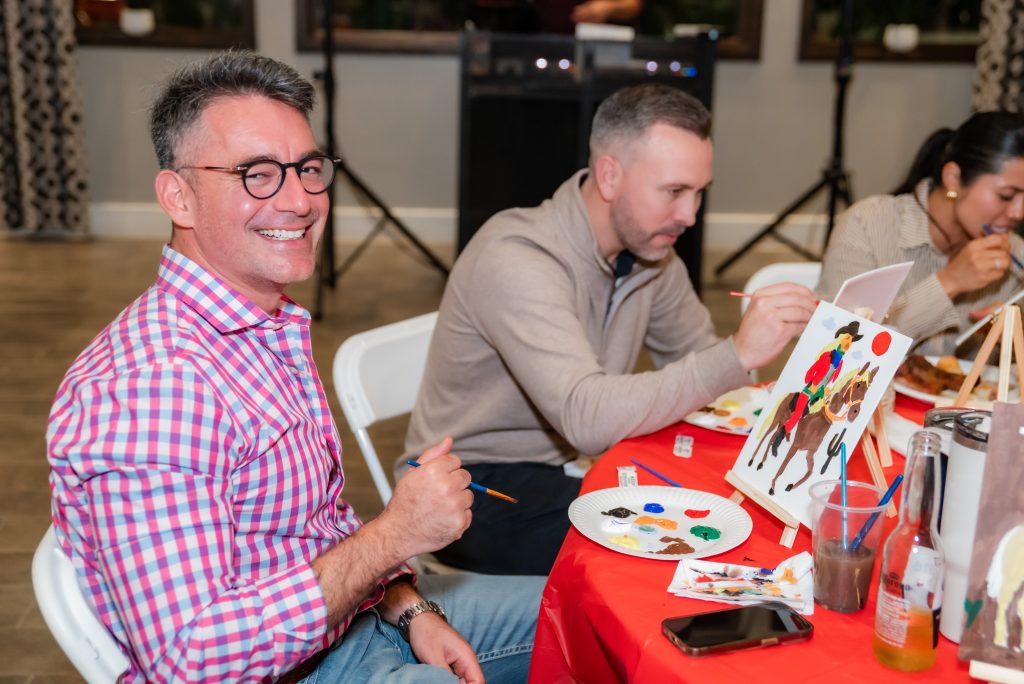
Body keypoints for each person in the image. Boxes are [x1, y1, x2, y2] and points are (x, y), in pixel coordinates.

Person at [46, 51, 542, 684]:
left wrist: (411, 606)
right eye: (257, 174)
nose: (301, 199)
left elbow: (316, 528)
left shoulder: (266, 324)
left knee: (593, 610)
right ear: (179, 197)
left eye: (308, 169)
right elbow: (193, 662)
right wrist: (394, 535)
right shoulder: (149, 386)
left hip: (359, 623)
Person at [404, 84, 818, 575]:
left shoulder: (650, 255)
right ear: (609, 175)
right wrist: (739, 353)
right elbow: (588, 417)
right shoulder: (516, 256)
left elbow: (705, 366)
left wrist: (748, 363)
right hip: (467, 485)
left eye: (699, 192)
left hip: (566, 467)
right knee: (662, 555)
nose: (689, 215)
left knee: (721, 515)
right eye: (674, 192)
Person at [817, 111, 1024, 356]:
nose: (1018, 212)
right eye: (1006, 196)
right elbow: (836, 347)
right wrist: (950, 282)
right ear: (954, 178)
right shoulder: (869, 224)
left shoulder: (1015, 255)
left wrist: (1013, 341)